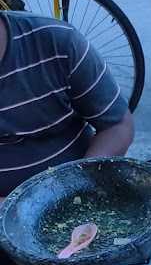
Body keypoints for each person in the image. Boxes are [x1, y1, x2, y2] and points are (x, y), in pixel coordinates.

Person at [0, 11, 134, 198]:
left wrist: (81, 182)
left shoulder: (56, 42)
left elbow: (117, 124)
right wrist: (12, 210)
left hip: (80, 198)